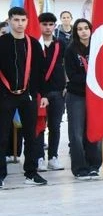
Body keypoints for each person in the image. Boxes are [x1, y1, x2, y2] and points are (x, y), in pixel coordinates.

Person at [0, 7, 49, 187]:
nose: (20, 24)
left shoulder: (33, 44)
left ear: (27, 22)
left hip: (28, 96)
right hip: (5, 96)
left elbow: (40, 71)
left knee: (32, 136)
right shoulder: (2, 42)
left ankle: (31, 173)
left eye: (23, 20)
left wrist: (42, 94)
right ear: (9, 21)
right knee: (2, 136)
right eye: (16, 20)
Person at [63, 18, 102, 179]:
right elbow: (72, 76)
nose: (84, 31)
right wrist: (91, 77)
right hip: (77, 95)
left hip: (95, 95)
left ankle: (94, 165)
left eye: (86, 28)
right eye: (80, 29)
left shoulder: (98, 47)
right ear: (76, 31)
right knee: (77, 133)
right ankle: (80, 168)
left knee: (94, 131)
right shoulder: (71, 49)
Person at [36, 13, 66, 172]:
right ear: (39, 25)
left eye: (51, 24)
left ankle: (53, 157)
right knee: (39, 126)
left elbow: (67, 64)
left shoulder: (61, 44)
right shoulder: (34, 43)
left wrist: (66, 85)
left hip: (58, 92)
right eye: (44, 24)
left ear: (55, 26)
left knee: (55, 126)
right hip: (39, 93)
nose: (47, 27)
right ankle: (39, 157)